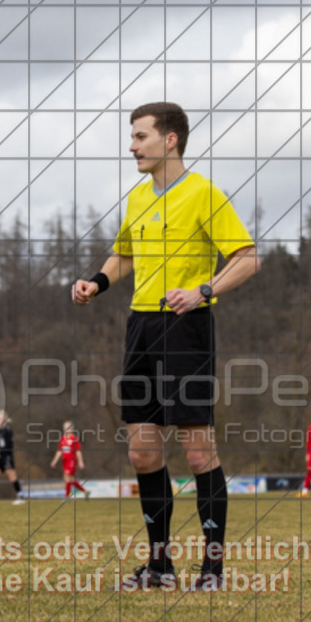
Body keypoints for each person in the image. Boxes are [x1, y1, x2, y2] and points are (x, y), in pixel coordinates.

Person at [71, 102, 261, 592]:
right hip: (141, 328)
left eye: (140, 137)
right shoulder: (137, 198)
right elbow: (123, 255)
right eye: (132, 138)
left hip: (186, 328)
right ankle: (160, 568)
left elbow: (248, 257)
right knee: (142, 453)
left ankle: (213, 571)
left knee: (198, 454)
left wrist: (205, 291)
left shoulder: (203, 193)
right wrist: (96, 282)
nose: (131, 146)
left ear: (170, 140)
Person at [0, 410, 27, 504]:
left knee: (12, 478)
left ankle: (21, 496)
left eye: (0, 418)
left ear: (5, 419)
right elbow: (0, 445)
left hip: (7, 457)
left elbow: (8, 446)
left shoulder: (8, 431)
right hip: (0, 458)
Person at [50, 421, 88, 498]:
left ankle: (67, 496)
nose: (67, 429)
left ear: (72, 429)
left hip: (72, 461)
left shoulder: (74, 438)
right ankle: (85, 492)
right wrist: (54, 460)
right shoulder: (62, 439)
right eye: (65, 427)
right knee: (69, 479)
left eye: (69, 427)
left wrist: (81, 461)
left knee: (67, 477)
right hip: (65, 461)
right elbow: (60, 451)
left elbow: (78, 451)